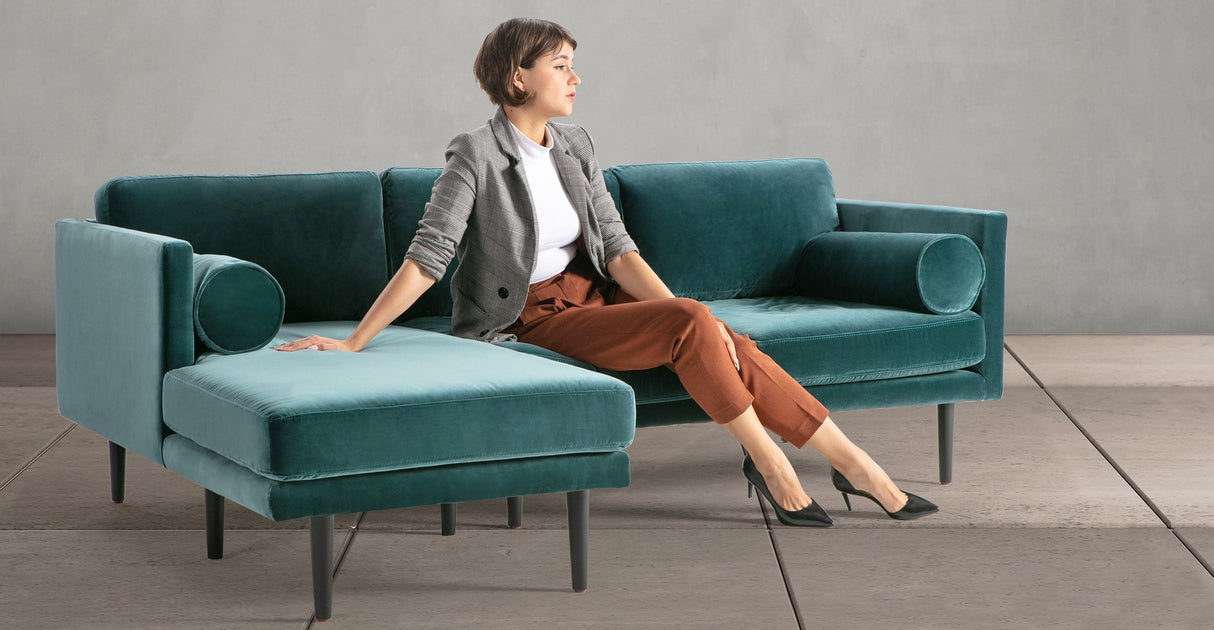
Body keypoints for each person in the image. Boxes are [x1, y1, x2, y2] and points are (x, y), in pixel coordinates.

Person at [276, 17, 937, 526]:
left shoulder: (575, 146)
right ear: (518, 78)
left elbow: (619, 249)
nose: (575, 79)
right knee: (693, 324)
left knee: (714, 333)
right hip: (528, 319)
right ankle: (776, 461)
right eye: (560, 66)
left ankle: (853, 465)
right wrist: (356, 340)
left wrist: (697, 318)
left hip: (596, 300)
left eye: (574, 66)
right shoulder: (475, 154)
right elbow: (428, 256)